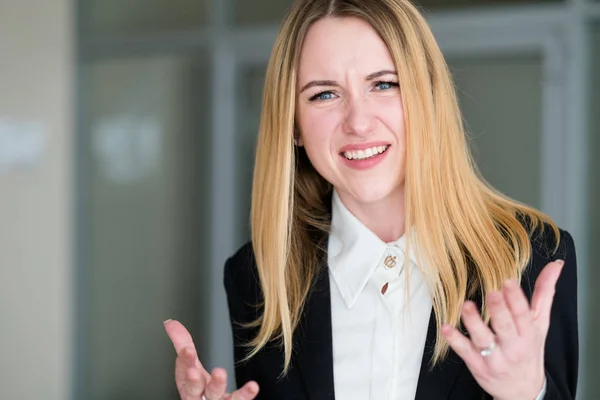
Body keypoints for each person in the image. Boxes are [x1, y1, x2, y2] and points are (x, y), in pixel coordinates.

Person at [164, 0, 578, 399]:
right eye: (324, 94)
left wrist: (526, 395)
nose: (358, 123)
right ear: (293, 124)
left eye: (384, 84)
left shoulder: (530, 257)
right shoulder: (257, 276)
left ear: (427, 99)